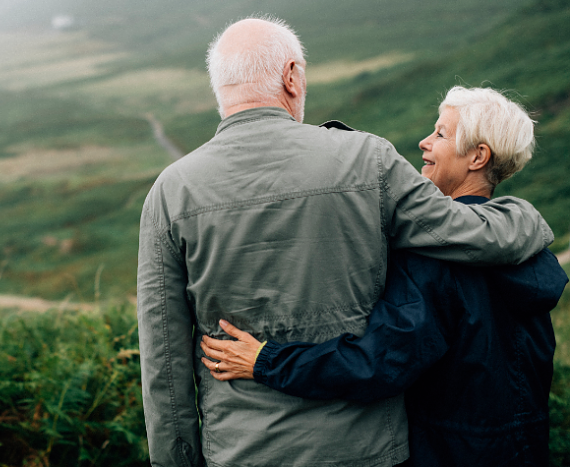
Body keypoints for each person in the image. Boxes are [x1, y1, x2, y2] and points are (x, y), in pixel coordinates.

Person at [136, 17, 555, 467]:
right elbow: (470, 234)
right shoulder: (369, 160)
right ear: (291, 75)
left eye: (440, 134)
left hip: (241, 451)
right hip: (371, 450)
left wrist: (175, 460)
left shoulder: (170, 191)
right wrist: (525, 217)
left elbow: (164, 359)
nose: (426, 142)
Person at [200, 86, 567, 466]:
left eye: (441, 134)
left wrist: (266, 360)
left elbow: (377, 365)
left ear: (478, 156)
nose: (424, 142)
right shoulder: (527, 249)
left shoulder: (436, 259)